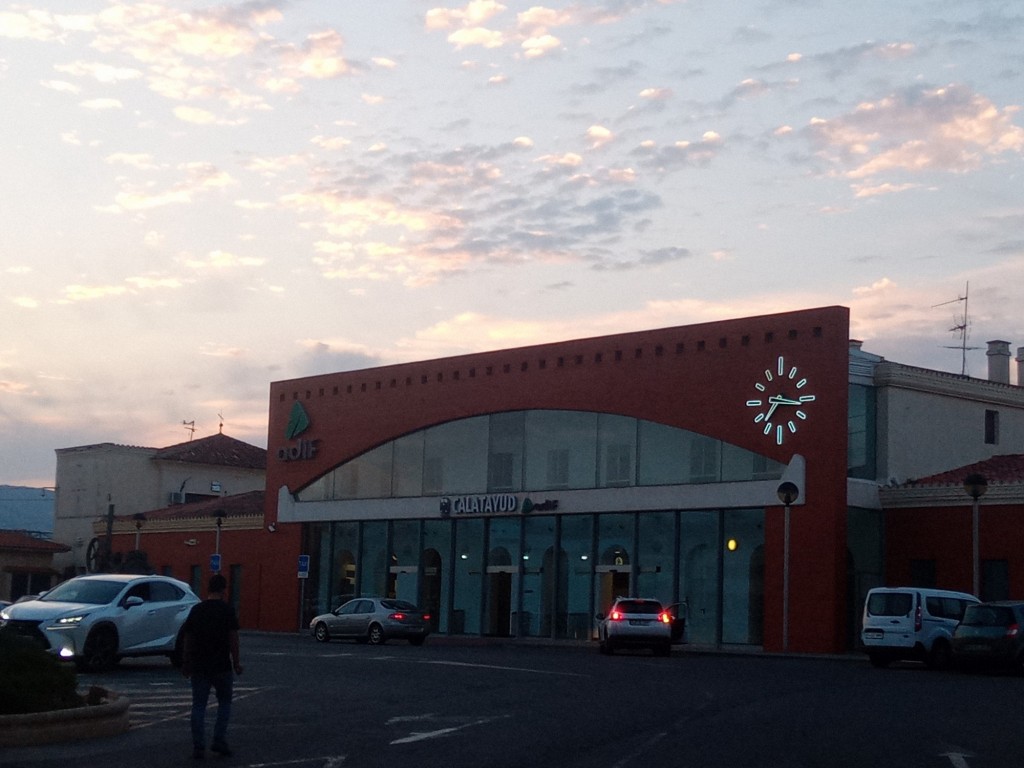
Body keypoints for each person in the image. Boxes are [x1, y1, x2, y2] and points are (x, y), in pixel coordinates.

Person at [181, 573, 243, 759]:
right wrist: (236, 662)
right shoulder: (227, 610)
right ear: (223, 590)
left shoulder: (197, 610)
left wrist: (186, 662)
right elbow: (233, 639)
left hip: (200, 665)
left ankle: (198, 746)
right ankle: (219, 740)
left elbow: (188, 638)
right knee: (224, 702)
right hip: (221, 665)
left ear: (208, 589)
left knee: (198, 705)